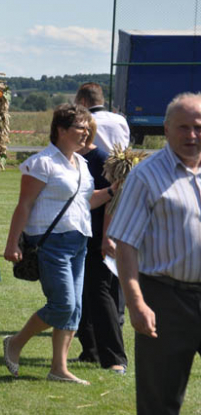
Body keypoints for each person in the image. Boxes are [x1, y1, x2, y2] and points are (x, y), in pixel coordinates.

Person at [108, 92, 201, 415]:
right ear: (165, 129)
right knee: (159, 406)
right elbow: (125, 244)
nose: (192, 135)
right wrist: (136, 303)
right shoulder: (147, 175)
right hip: (164, 298)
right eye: (184, 127)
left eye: (198, 127)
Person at [3, 104, 114, 385]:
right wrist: (12, 242)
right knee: (63, 305)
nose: (86, 132)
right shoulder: (43, 162)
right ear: (61, 130)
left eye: (87, 127)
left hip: (79, 241)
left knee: (75, 308)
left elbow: (85, 203)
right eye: (80, 127)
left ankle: (59, 368)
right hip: (50, 241)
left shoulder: (83, 164)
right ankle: (15, 343)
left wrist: (114, 189)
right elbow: (24, 205)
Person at [75, 119, 127, 373]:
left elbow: (112, 201)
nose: (83, 134)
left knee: (100, 292)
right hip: (77, 235)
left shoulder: (102, 159)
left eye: (85, 129)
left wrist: (107, 236)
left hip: (98, 236)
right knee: (82, 294)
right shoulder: (71, 158)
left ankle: (115, 357)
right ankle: (90, 350)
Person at [75, 82, 130, 153]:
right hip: (120, 163)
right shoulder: (121, 120)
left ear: (83, 102)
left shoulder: (83, 123)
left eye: (76, 103)